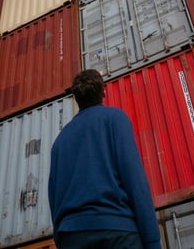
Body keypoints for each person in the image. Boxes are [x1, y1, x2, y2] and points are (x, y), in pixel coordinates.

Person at [48, 69, 161, 248]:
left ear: (76, 99)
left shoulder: (59, 143)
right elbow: (135, 182)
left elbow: (54, 200)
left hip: (72, 237)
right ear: (104, 92)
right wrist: (152, 240)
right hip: (118, 232)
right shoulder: (115, 119)